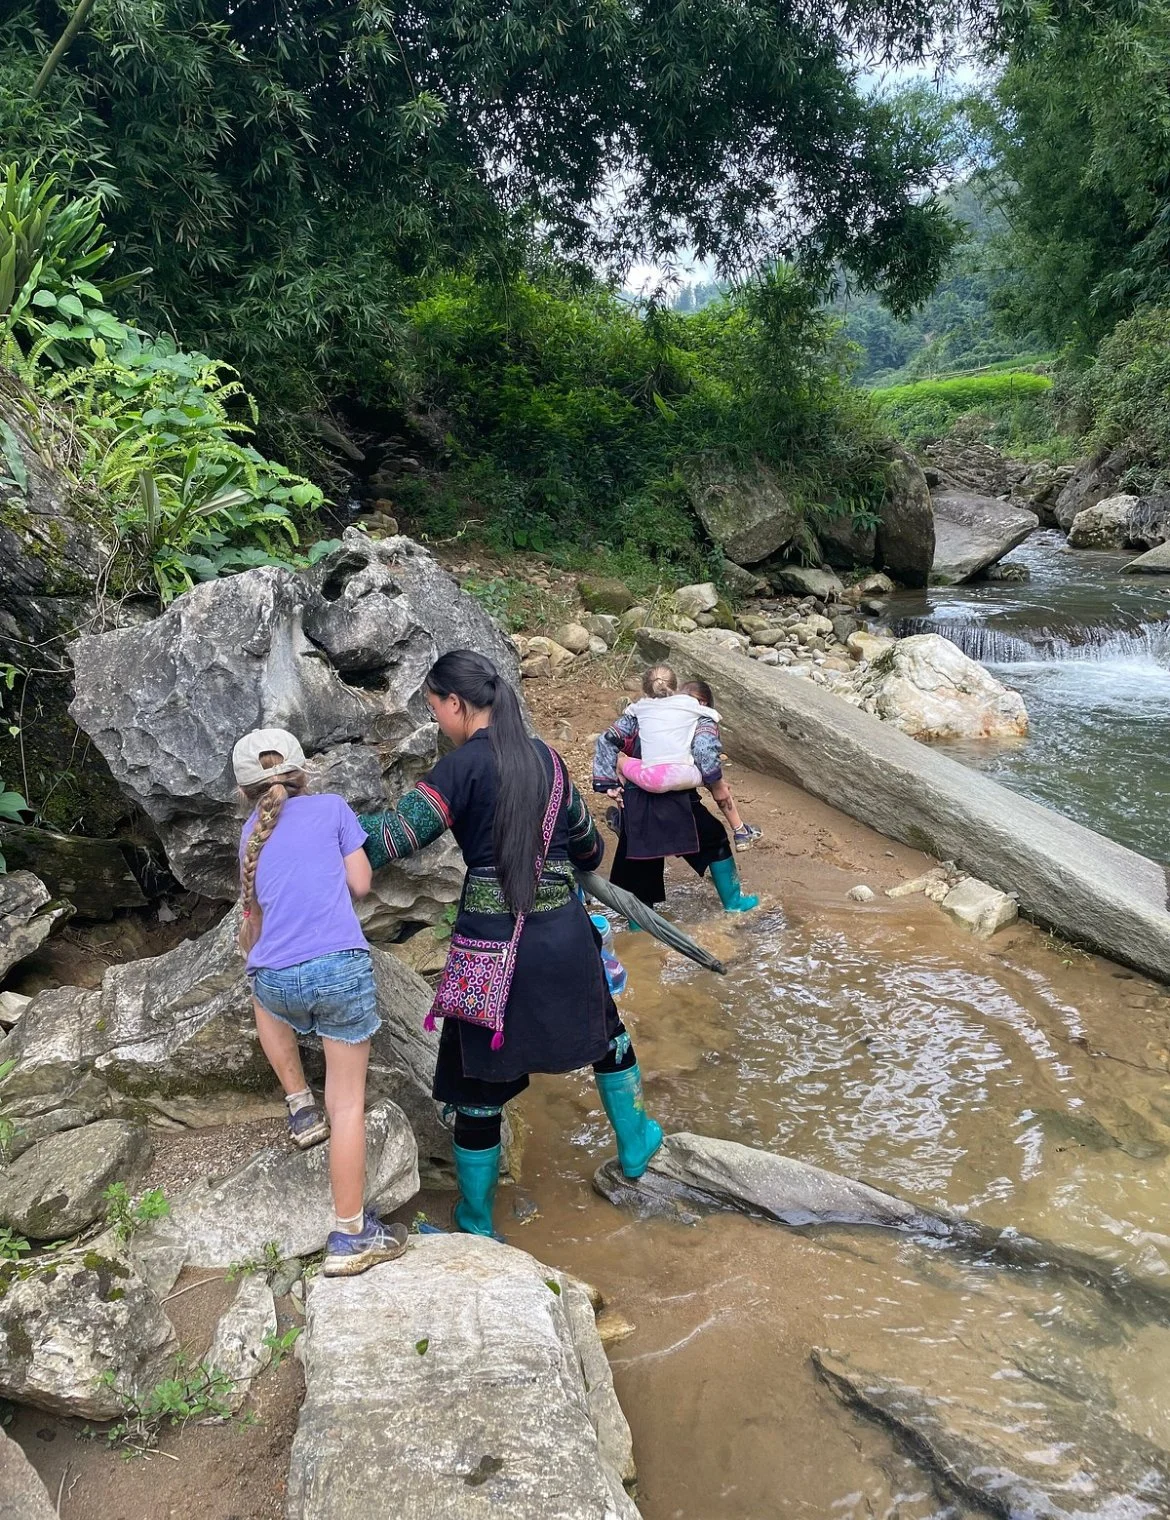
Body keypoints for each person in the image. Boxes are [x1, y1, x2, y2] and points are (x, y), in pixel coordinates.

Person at [358, 650, 663, 1238]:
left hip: (489, 951)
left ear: (456, 703)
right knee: (606, 1035)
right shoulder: (547, 760)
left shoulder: (459, 770)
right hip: (566, 939)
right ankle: (636, 1145)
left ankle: (477, 1220)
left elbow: (392, 839)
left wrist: (330, 824)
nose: (439, 720)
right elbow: (589, 848)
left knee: (479, 1084)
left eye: (435, 708)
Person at [234, 728, 408, 1277]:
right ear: (302, 772)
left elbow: (252, 926)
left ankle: (298, 1105)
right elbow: (360, 884)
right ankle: (351, 1234)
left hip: (279, 981)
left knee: (260, 987)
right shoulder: (332, 808)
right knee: (349, 1104)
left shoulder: (249, 837)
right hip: (339, 970)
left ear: (245, 791)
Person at [593, 666, 759, 914]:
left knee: (640, 860)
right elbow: (704, 751)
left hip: (636, 800)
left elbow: (607, 739)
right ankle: (735, 903)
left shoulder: (637, 713)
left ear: (645, 690)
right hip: (678, 800)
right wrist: (712, 780)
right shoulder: (696, 714)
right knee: (715, 839)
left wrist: (610, 784)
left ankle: (638, 930)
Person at [679, 679, 763, 849]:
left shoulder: (671, 716)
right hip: (685, 769)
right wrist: (716, 782)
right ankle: (740, 832)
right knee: (721, 790)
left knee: (719, 785)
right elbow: (703, 751)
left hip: (664, 766)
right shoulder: (705, 722)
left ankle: (741, 830)